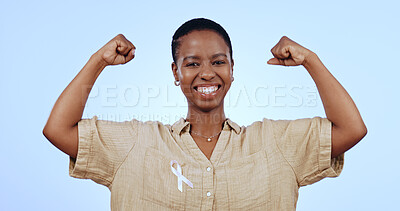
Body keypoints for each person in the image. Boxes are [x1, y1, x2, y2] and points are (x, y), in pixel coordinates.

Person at [43, 18, 367, 210]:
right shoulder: (136, 143)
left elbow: (350, 129)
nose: (207, 73)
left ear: (232, 69)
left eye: (218, 61)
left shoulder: (275, 143)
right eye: (192, 63)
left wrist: (310, 59)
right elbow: (59, 130)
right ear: (175, 72)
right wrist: (98, 59)